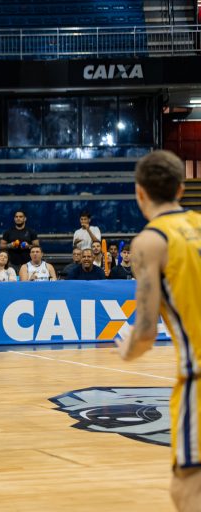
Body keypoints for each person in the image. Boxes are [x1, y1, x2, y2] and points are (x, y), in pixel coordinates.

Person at [114, 150, 201, 512]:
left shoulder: (149, 242)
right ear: (181, 189)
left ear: (139, 193)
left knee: (188, 490)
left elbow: (146, 333)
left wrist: (127, 347)